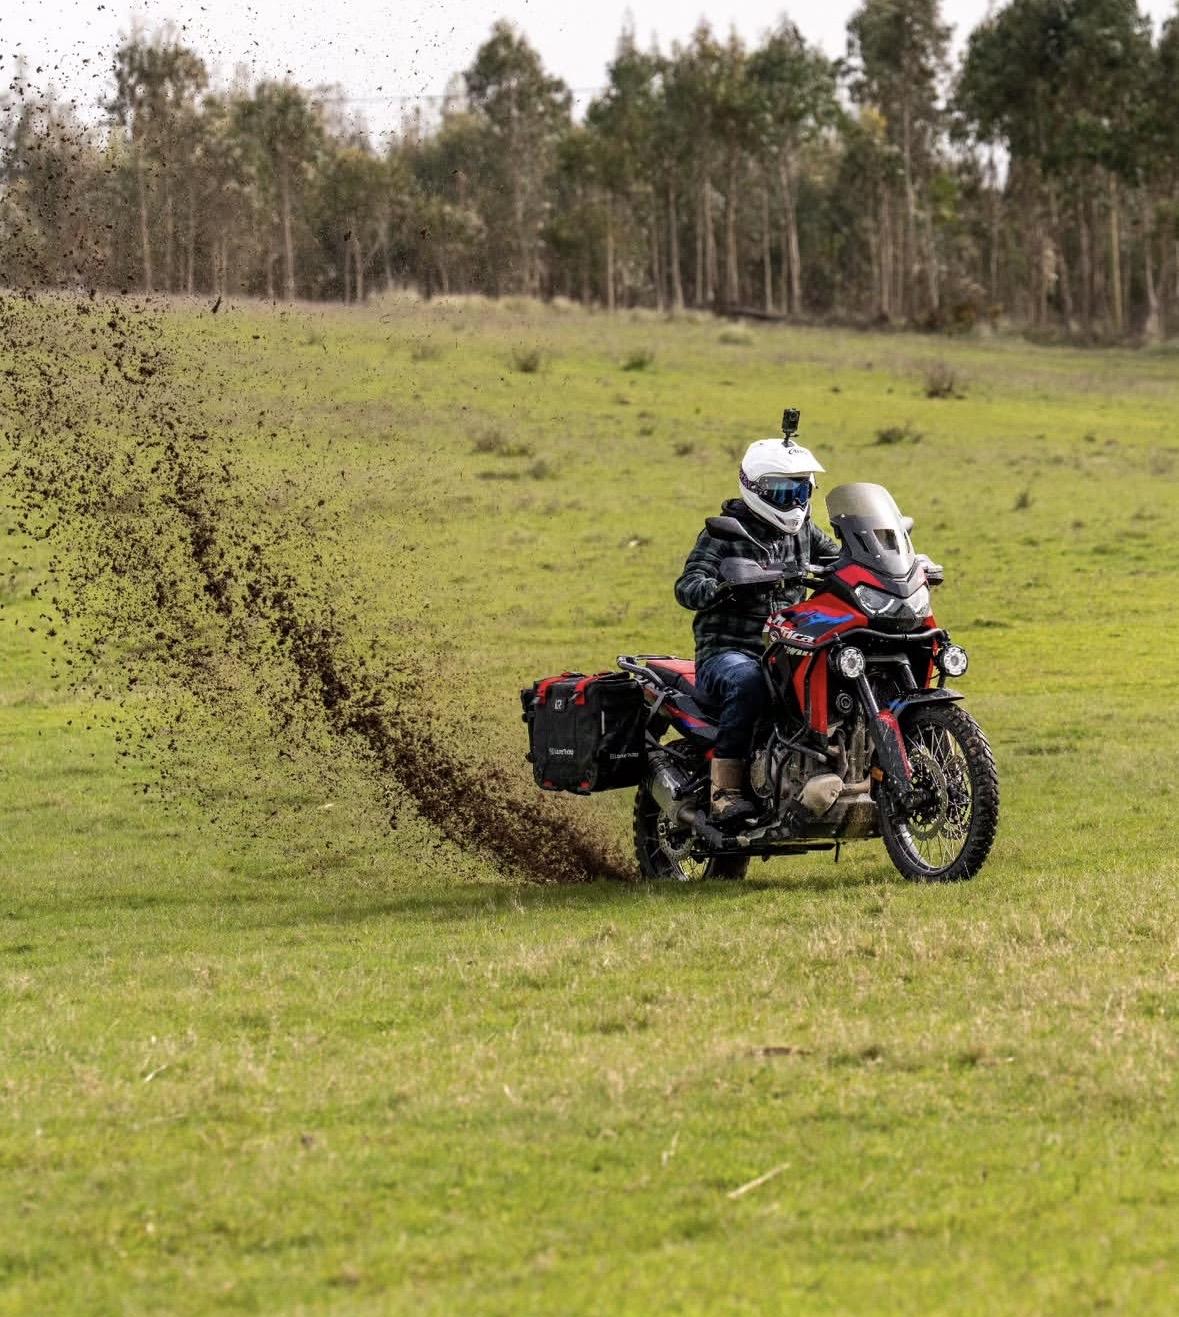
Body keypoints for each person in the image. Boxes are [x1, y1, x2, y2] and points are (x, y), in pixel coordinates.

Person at [674, 416, 839, 823]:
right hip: (728, 652)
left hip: (790, 645)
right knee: (749, 681)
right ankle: (725, 790)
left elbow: (840, 560)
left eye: (801, 490)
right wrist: (723, 587)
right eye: (782, 490)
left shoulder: (804, 533)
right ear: (755, 489)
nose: (793, 501)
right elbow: (687, 586)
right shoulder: (724, 534)